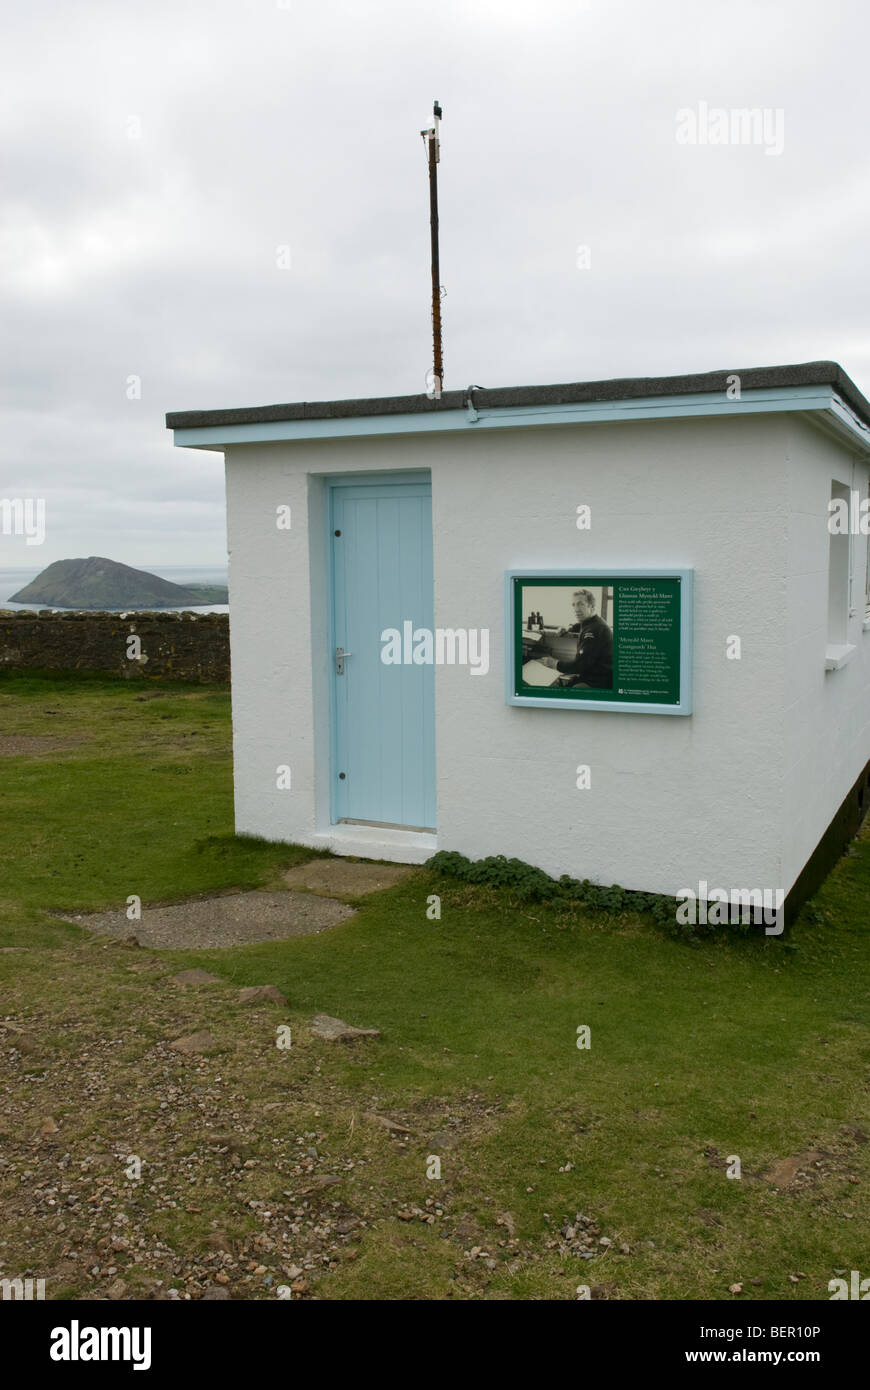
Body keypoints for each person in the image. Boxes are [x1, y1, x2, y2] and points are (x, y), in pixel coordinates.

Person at [538, 589, 613, 689]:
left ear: (591, 606)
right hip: (590, 675)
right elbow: (580, 625)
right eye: (574, 605)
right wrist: (569, 628)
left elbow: (580, 665)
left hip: (597, 682)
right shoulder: (593, 622)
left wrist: (555, 663)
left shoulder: (594, 631)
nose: (576, 609)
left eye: (580, 604)